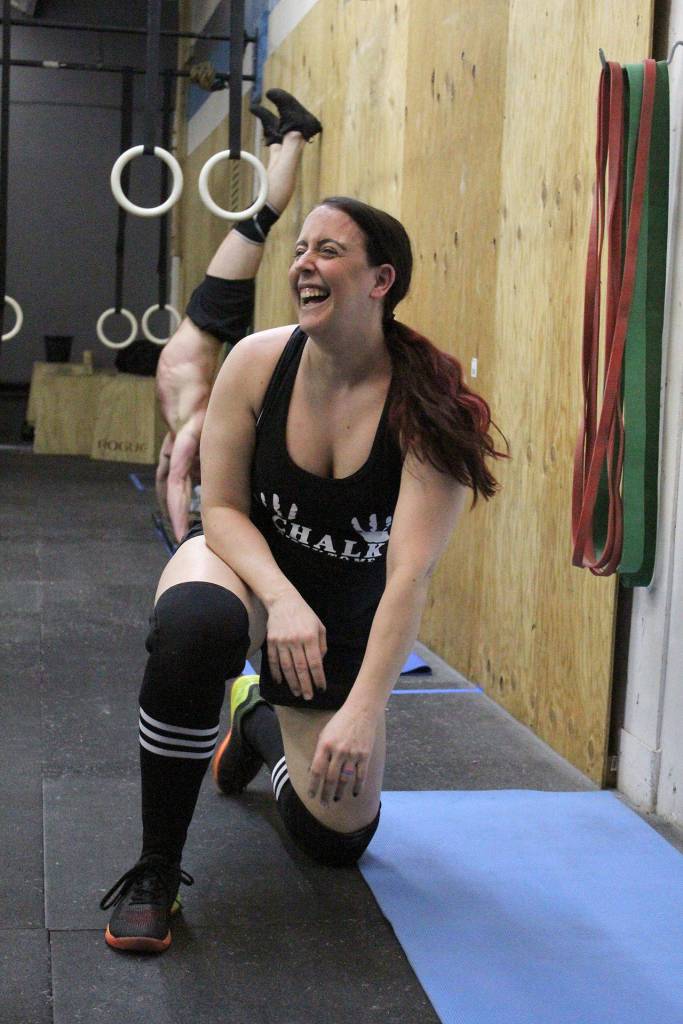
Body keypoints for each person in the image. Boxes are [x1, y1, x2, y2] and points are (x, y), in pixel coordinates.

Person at [100, 193, 506, 954]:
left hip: (344, 621)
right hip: (249, 570)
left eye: (326, 251)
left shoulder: (428, 409)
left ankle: (257, 724)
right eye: (299, 250)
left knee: (335, 839)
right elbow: (217, 508)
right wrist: (281, 598)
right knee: (196, 629)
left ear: (380, 279)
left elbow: (408, 578)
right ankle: (156, 869)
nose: (302, 266)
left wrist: (361, 711)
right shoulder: (257, 361)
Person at [155, 89, 322, 542]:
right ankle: (296, 136)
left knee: (253, 221)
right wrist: (181, 539)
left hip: (204, 316)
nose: (176, 456)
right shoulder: (192, 428)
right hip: (211, 319)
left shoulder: (177, 434)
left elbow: (164, 475)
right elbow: (176, 482)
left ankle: (276, 143)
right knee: (257, 220)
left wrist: (164, 510)